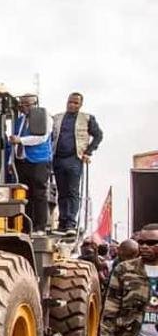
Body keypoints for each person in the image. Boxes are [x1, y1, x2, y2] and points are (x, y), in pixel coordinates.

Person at [51, 93, 104, 235]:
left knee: (72, 191)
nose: (72, 105)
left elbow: (98, 135)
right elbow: (51, 136)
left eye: (75, 103)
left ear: (80, 105)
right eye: (70, 102)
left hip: (75, 158)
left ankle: (71, 223)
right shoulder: (57, 118)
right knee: (61, 192)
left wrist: (88, 152)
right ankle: (62, 223)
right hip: (58, 158)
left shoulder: (87, 118)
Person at [8, 94, 53, 235]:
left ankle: (40, 227)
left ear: (36, 104)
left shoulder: (45, 117)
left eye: (27, 104)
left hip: (39, 160)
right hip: (22, 161)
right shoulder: (19, 121)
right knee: (24, 195)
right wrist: (11, 161)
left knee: (39, 193)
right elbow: (14, 141)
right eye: (22, 104)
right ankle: (27, 226)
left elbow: (41, 137)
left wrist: (21, 140)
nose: (24, 107)